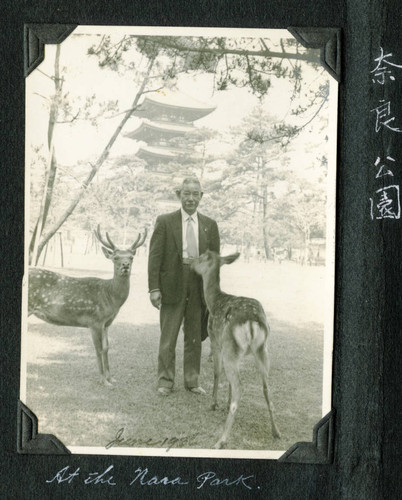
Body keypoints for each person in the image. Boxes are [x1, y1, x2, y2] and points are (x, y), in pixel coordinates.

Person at [148, 177, 220, 395]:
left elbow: (214, 262)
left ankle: (192, 381)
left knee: (194, 336)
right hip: (172, 285)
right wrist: (154, 288)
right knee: (168, 336)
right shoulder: (165, 221)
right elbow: (155, 257)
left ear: (201, 196)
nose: (190, 198)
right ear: (179, 195)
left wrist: (213, 294)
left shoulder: (210, 225)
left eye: (195, 194)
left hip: (199, 287)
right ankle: (165, 381)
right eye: (186, 193)